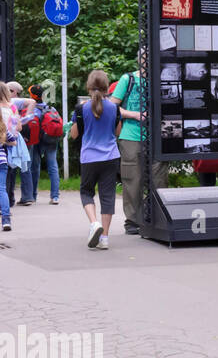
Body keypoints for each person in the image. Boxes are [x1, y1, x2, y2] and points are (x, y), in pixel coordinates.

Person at [70, 70, 124, 249]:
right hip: (111, 157)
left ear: (88, 86)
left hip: (89, 158)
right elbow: (117, 132)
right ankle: (105, 238)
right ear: (107, 87)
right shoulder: (114, 108)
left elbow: (74, 135)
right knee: (108, 196)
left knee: (86, 192)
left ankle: (94, 223)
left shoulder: (81, 109)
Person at [114, 49, 166, 235]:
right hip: (131, 136)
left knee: (159, 179)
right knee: (132, 180)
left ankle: (158, 217)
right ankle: (133, 221)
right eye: (146, 57)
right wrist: (134, 114)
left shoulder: (161, 78)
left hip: (157, 137)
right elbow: (112, 106)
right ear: (140, 59)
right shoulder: (128, 79)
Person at [19, 84, 60, 205]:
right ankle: (55, 196)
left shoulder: (32, 110)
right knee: (53, 167)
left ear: (31, 96)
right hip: (52, 140)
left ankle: (33, 195)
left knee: (34, 167)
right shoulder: (51, 109)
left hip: (38, 141)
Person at [3, 82, 30, 212]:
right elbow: (18, 127)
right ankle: (9, 200)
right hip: (10, 142)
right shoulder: (12, 108)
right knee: (9, 173)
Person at [0, 83, 20, 231]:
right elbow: (14, 138)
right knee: (2, 188)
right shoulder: (11, 107)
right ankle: (6, 219)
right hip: (3, 155)